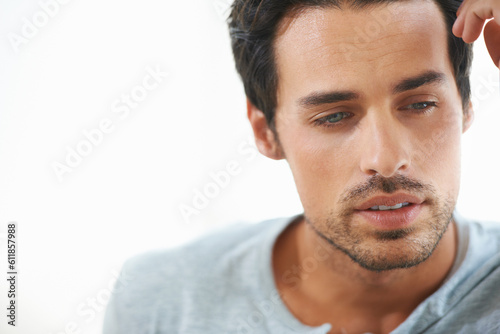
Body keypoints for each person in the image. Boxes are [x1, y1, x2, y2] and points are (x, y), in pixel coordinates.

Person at [103, 0, 500, 333]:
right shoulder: (161, 304)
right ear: (266, 132)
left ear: (465, 105)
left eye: (419, 104)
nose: (385, 159)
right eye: (333, 117)